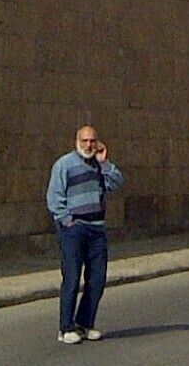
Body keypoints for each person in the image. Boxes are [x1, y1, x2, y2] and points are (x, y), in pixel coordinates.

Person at [47, 124, 125, 344]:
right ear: (76, 141)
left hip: (97, 229)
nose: (89, 145)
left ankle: (84, 323)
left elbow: (117, 182)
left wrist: (104, 161)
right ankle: (65, 327)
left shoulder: (99, 167)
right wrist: (66, 221)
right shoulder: (64, 164)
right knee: (71, 279)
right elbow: (54, 196)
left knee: (97, 279)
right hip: (73, 229)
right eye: (85, 141)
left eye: (93, 141)